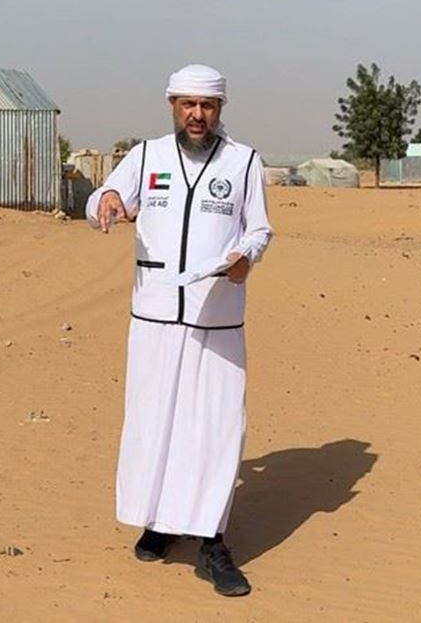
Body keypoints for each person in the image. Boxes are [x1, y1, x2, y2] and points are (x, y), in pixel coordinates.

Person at [85, 64, 273, 596]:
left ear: (220, 109)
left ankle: (212, 540)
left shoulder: (243, 162)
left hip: (217, 319)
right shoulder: (145, 157)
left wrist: (246, 256)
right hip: (154, 318)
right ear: (171, 104)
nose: (197, 115)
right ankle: (160, 521)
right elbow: (102, 197)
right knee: (154, 424)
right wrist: (107, 201)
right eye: (188, 104)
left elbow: (259, 228)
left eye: (207, 106)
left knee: (216, 428)